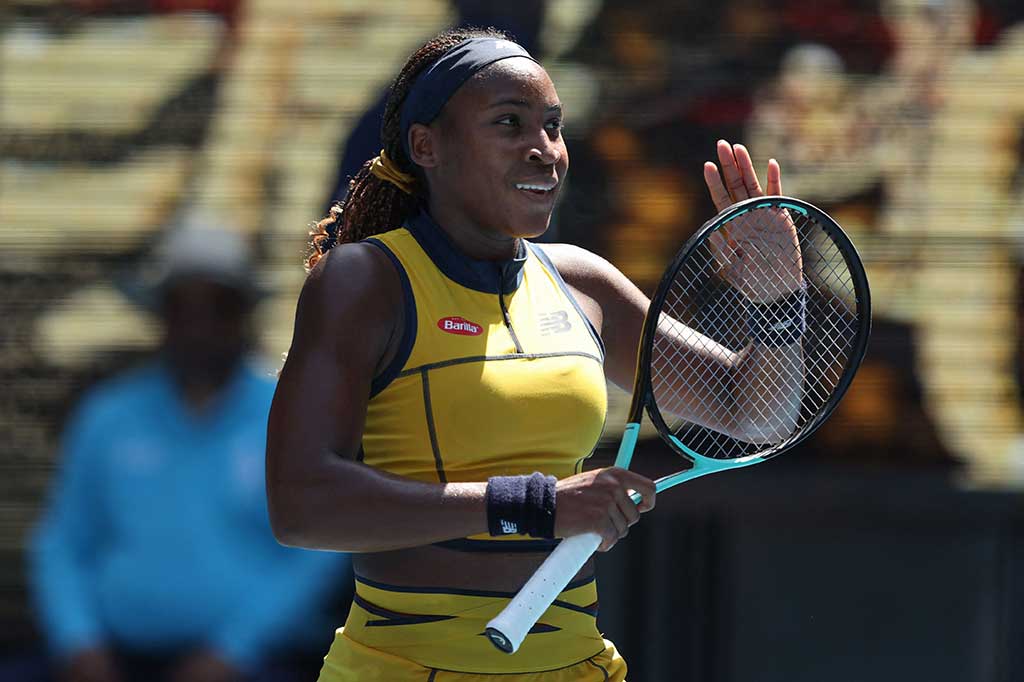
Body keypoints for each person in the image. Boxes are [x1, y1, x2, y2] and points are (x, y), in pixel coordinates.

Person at [267, 27, 803, 681]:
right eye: (509, 124)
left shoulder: (584, 283)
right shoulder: (363, 282)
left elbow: (755, 414)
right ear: (426, 145)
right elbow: (301, 504)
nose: (545, 151)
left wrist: (777, 303)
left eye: (552, 127)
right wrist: (535, 505)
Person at [28, 221, 349, 682]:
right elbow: (62, 543)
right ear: (162, 316)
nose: (201, 325)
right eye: (183, 307)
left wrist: (233, 650)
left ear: (243, 315)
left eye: (218, 307)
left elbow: (320, 551)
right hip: (114, 664)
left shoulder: (289, 414)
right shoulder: (108, 416)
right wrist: (79, 644)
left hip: (260, 666)